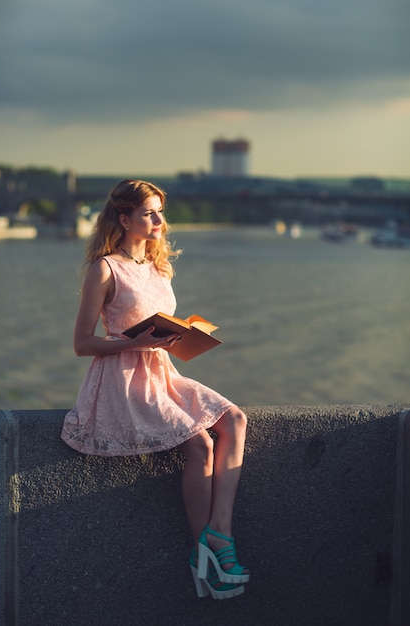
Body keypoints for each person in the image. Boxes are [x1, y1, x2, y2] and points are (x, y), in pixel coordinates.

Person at [61, 179, 249, 600]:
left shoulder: (159, 268)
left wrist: (183, 337)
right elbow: (82, 343)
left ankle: (218, 535)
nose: (160, 220)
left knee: (235, 420)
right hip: (123, 378)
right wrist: (136, 342)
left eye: (160, 211)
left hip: (161, 369)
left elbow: (155, 324)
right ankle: (211, 547)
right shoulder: (104, 269)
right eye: (150, 213)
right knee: (199, 445)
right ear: (124, 219)